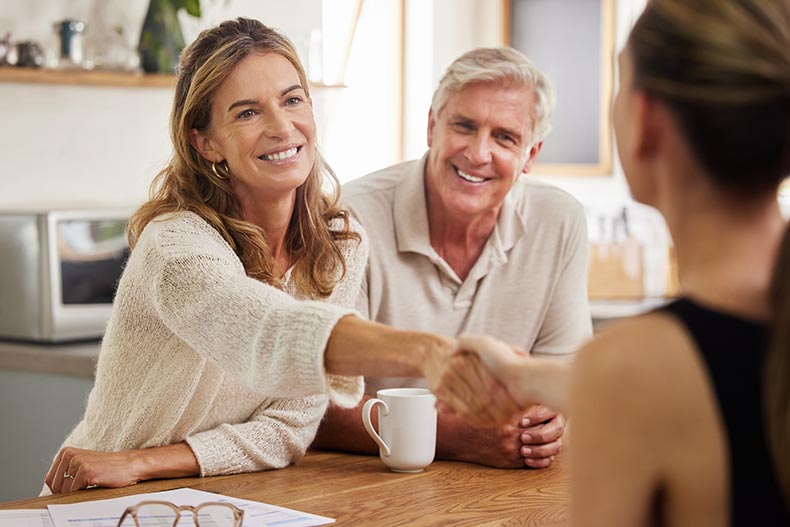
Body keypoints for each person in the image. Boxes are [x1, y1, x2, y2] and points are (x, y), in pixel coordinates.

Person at [43, 18, 512, 495]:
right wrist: (428, 352)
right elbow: (266, 331)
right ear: (205, 142)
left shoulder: (338, 248)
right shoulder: (176, 245)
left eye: (292, 100)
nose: (281, 127)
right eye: (247, 113)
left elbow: (289, 426)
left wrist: (144, 462)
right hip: (98, 497)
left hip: (205, 497)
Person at [451, 0, 790, 524]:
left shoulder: (633, 368)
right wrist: (523, 377)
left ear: (646, 121)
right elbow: (736, 392)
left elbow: (658, 390)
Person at [313, 47, 592, 469]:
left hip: (508, 490)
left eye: (504, 137)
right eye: (464, 126)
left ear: (530, 155)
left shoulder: (561, 220)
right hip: (371, 484)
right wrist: (455, 437)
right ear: (431, 126)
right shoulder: (346, 216)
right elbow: (313, 402)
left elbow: (567, 377)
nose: (479, 154)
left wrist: (546, 419)